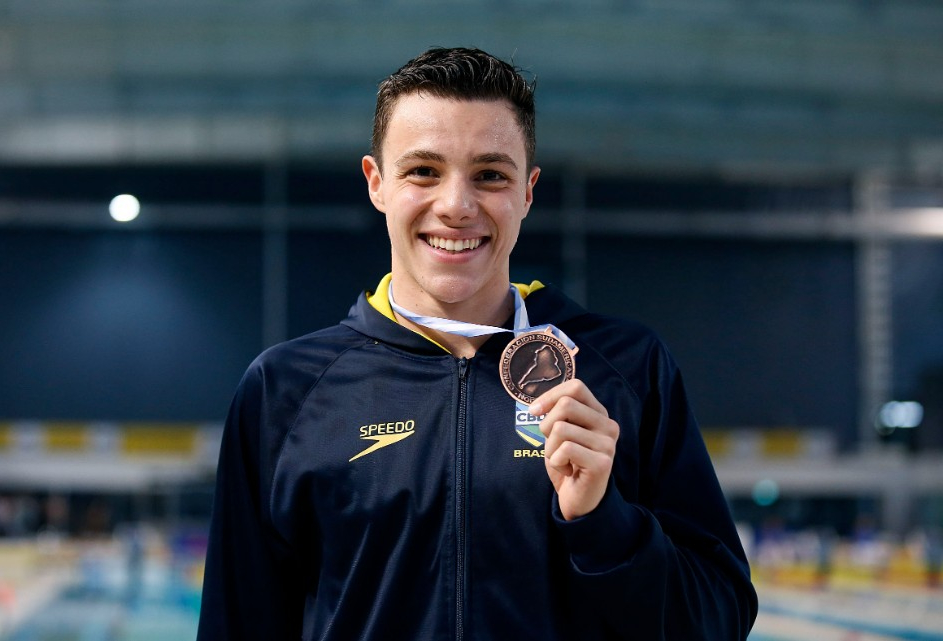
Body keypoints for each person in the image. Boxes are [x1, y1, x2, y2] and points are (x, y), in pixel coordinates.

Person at [197, 46, 758, 640]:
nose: (457, 206)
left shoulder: (623, 367)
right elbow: (238, 622)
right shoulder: (286, 388)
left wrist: (604, 523)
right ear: (377, 183)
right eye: (423, 172)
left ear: (527, 192)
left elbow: (719, 617)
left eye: (490, 175)